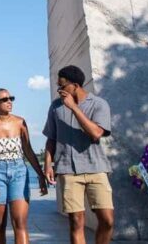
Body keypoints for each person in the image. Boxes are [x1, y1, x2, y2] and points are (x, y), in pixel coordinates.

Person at [43, 65, 114, 244]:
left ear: (75, 85)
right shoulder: (55, 107)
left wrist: (74, 108)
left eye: (62, 86)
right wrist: (48, 164)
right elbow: (51, 138)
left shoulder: (99, 104)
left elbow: (96, 133)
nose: (59, 90)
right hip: (68, 170)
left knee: (107, 221)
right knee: (76, 222)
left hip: (96, 168)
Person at [0, 88, 48, 244]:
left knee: (20, 223)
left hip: (19, 172)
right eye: (4, 99)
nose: (9, 101)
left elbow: (28, 150)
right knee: (0, 225)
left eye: (11, 98)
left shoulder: (20, 122)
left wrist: (40, 175)